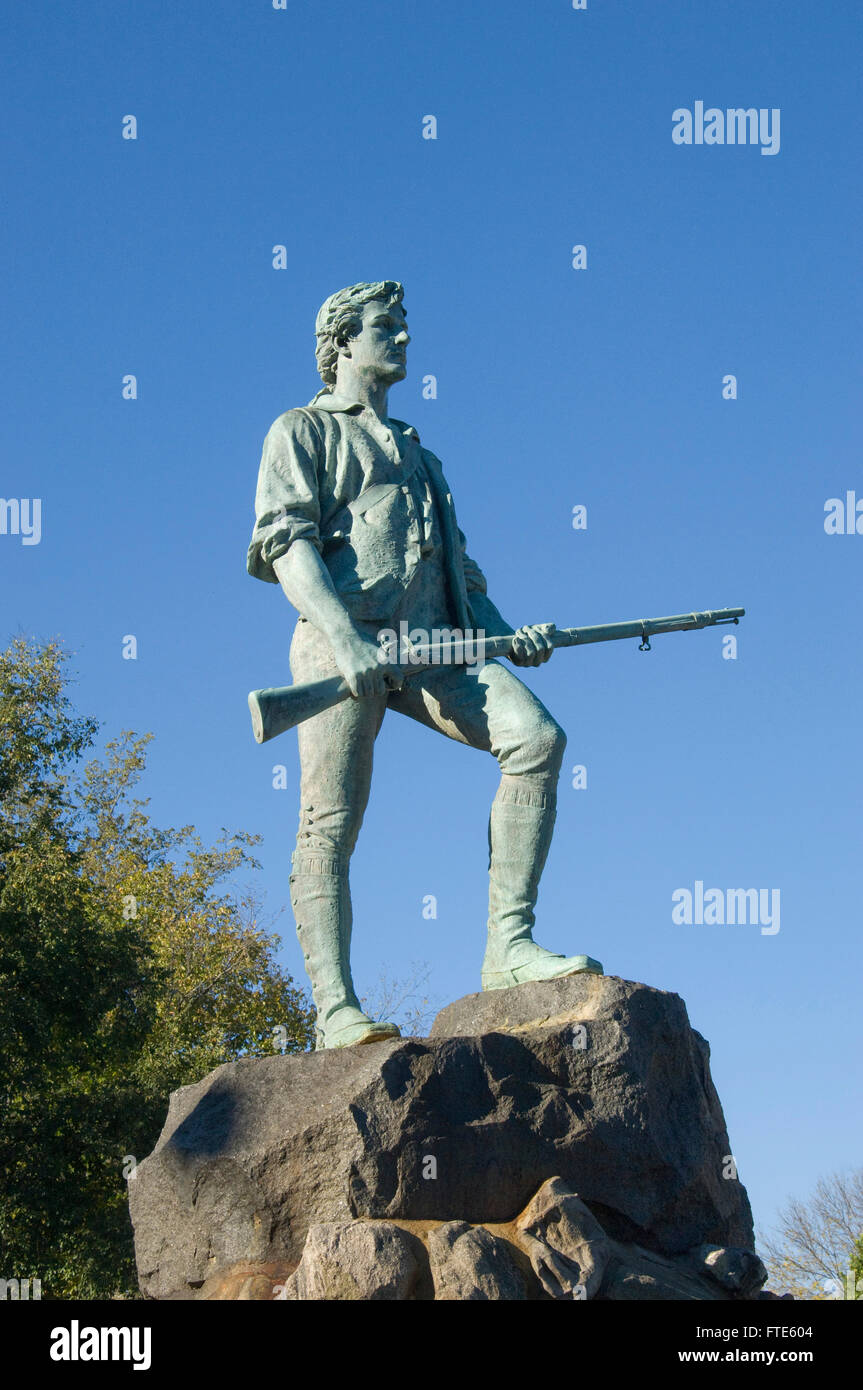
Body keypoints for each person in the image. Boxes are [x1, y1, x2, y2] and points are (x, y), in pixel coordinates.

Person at [248, 281, 602, 1049]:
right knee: (329, 822)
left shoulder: (419, 452)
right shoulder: (301, 430)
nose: (403, 339)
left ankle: (508, 948)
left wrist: (510, 637)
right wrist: (342, 637)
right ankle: (336, 1008)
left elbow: (461, 573)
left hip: (437, 647)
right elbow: (286, 542)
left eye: (404, 327)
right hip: (343, 644)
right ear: (341, 341)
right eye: (386, 327)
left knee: (536, 739)